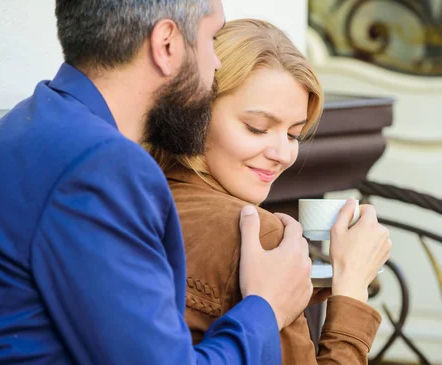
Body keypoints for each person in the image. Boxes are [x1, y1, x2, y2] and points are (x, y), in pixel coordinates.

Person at [0, 1, 315, 364]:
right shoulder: (97, 166)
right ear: (166, 45)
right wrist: (266, 306)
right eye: (211, 40)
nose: (215, 65)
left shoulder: (42, 119)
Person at [147, 19, 391, 364]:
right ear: (194, 115)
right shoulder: (255, 232)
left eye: (293, 134)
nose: (282, 154)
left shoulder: (137, 194)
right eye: (257, 128)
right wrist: (352, 289)